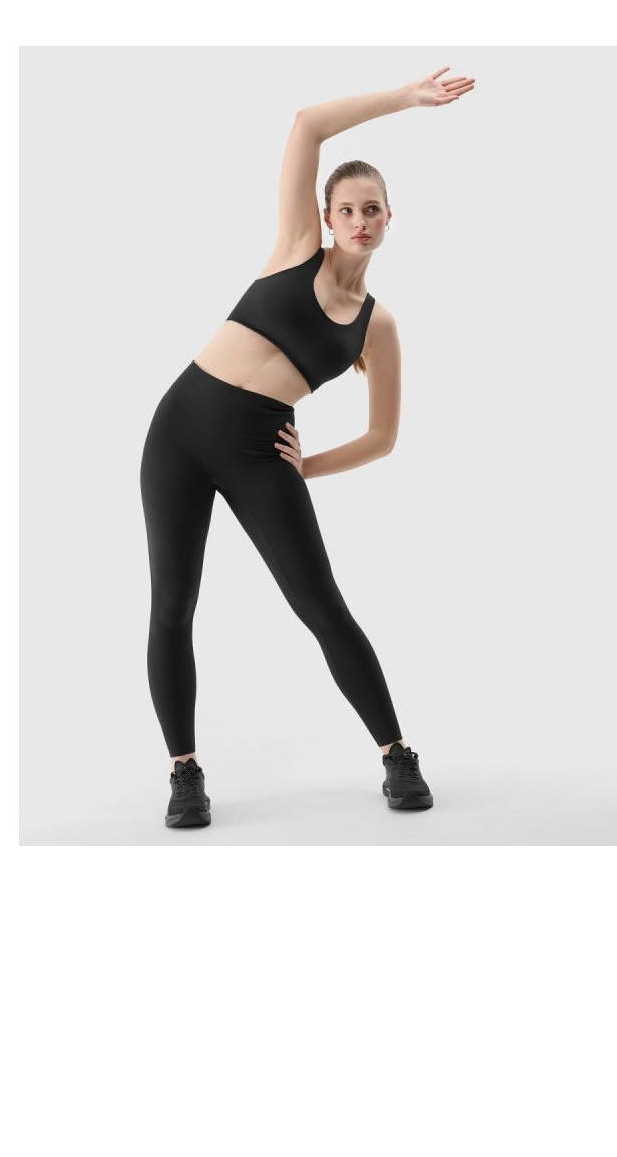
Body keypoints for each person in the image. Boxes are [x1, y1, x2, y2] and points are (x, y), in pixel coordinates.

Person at [139, 66, 476, 828]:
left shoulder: (377, 326)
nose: (359, 220)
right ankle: (184, 773)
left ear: (389, 219)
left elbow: (383, 437)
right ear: (326, 216)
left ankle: (397, 754)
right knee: (173, 605)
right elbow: (307, 125)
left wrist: (307, 467)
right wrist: (407, 99)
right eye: (346, 208)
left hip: (262, 451)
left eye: (372, 209)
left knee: (321, 605)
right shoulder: (296, 249)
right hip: (179, 431)